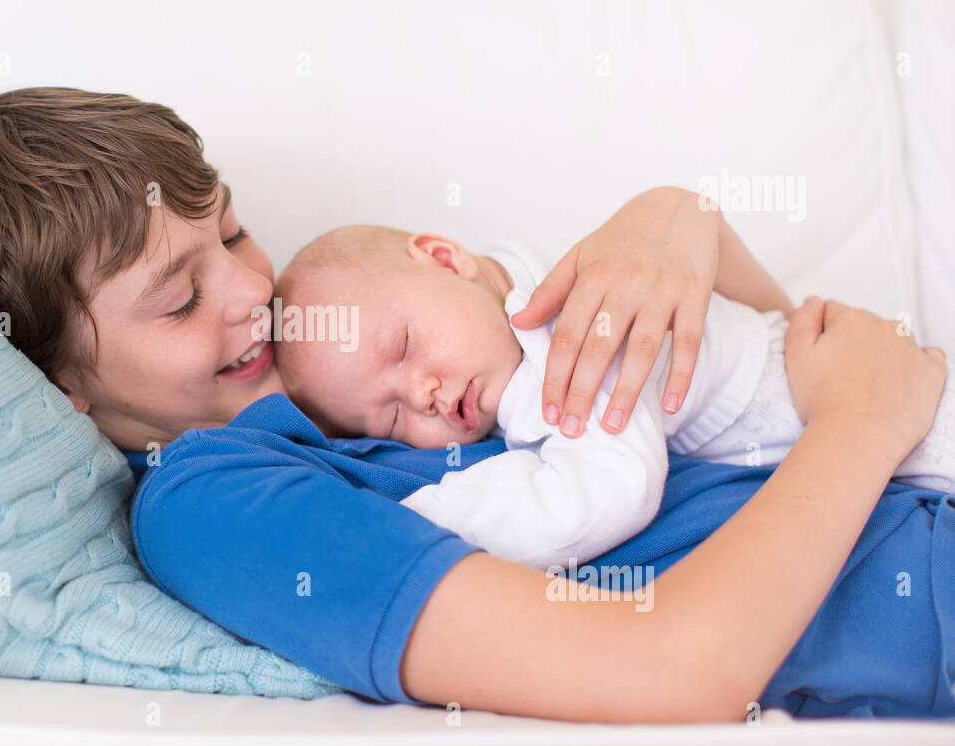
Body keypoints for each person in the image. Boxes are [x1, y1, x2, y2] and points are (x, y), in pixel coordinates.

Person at [0, 88, 951, 720]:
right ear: (67, 385)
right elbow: (674, 671)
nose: (255, 296)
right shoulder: (217, 504)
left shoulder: (375, 332)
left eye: (232, 232)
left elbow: (747, 378)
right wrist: (866, 422)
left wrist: (684, 227)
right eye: (183, 297)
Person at [271, 225, 955, 569]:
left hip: (915, 431)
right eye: (388, 415)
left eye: (403, 348)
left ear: (446, 257)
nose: (420, 393)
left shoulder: (559, 350)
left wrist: (418, 519)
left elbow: (602, 492)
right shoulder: (527, 286)